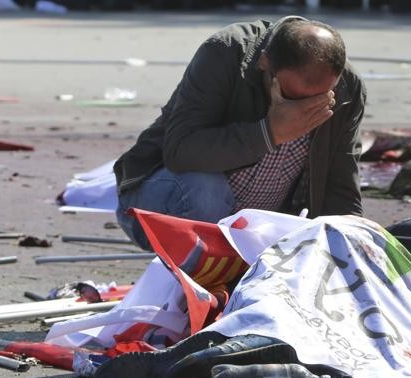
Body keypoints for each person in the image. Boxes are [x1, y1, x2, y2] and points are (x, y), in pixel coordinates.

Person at [113, 16, 366, 250]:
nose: (304, 110)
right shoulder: (227, 52)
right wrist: (270, 132)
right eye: (293, 98)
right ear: (264, 62)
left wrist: (354, 247)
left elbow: (341, 187)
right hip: (157, 204)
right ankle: (203, 275)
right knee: (206, 189)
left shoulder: (348, 88)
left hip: (252, 229)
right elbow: (180, 151)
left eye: (320, 100)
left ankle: (235, 264)